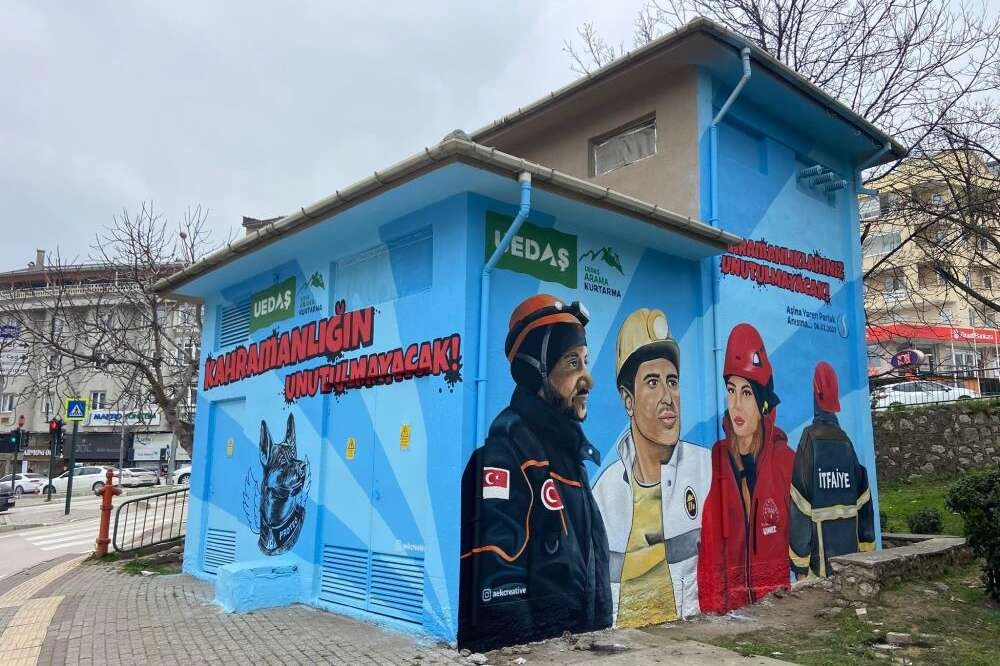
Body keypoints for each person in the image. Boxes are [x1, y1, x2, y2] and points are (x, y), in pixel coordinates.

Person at [458, 294, 612, 651]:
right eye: (572, 363)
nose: (588, 379)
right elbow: (499, 602)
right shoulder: (505, 458)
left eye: (585, 362)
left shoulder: (569, 459)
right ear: (534, 371)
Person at [593, 308, 711, 626]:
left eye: (672, 381)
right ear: (628, 400)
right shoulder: (604, 494)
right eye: (652, 382)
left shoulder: (707, 470)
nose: (667, 397)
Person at [698, 323, 794, 613]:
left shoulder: (784, 461)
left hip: (777, 611)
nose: (736, 404)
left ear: (763, 402)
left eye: (747, 393)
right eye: (731, 390)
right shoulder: (717, 459)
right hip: (728, 614)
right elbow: (709, 550)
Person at [789, 362, 875, 578]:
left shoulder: (809, 439)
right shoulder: (845, 441)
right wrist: (867, 549)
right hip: (850, 559)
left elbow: (799, 504)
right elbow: (864, 500)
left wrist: (800, 565)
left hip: (818, 564)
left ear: (815, 397)